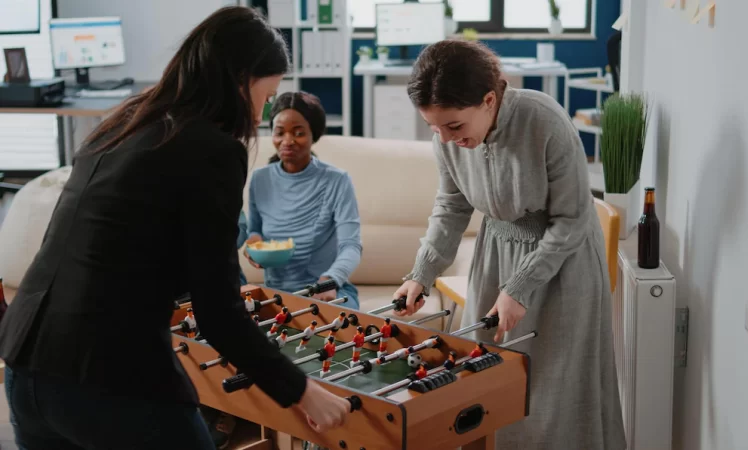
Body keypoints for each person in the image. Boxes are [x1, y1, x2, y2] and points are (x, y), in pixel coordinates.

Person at [0, 7, 350, 449]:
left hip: (24, 360)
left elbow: (115, 246)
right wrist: (302, 392)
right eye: (267, 96)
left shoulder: (123, 120)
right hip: (106, 376)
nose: (261, 114)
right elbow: (218, 314)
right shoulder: (215, 150)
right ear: (241, 79)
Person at [392, 40, 626, 450]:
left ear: (488, 99)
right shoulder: (447, 138)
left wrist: (520, 287)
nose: (445, 140)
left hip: (561, 263)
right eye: (434, 128)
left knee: (556, 395)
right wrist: (421, 273)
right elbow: (451, 205)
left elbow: (572, 220)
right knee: (488, 386)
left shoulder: (545, 122)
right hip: (496, 257)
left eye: (454, 127)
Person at [244, 91, 361, 310]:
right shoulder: (260, 179)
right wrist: (252, 245)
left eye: (298, 133)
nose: (287, 141)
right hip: (275, 295)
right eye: (279, 133)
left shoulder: (337, 180)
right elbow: (255, 231)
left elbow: (351, 246)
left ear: (313, 135)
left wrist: (330, 280)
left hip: (327, 292)